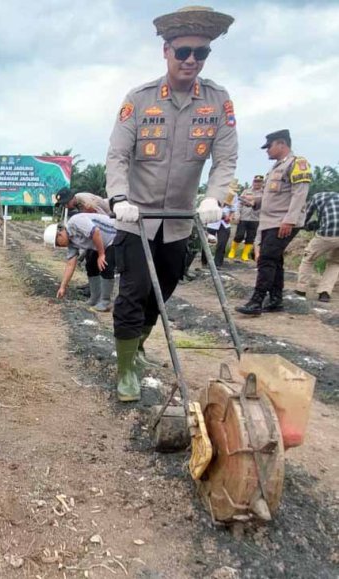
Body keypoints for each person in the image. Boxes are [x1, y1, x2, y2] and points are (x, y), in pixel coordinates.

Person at [105, 7, 237, 401]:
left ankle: (139, 345)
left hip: (179, 222)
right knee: (133, 292)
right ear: (166, 51)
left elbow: (226, 158)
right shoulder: (140, 99)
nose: (191, 60)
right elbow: (117, 155)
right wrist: (119, 198)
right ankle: (125, 370)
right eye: (183, 52)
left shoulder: (218, 101)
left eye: (201, 53)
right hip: (135, 218)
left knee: (162, 292)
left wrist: (214, 196)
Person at [237, 130, 310, 315]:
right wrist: (254, 202)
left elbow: (300, 194)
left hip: (282, 221)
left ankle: (257, 301)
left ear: (281, 144)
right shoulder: (275, 168)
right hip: (270, 221)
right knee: (275, 260)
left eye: (269, 146)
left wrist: (290, 220)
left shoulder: (296, 163)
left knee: (266, 259)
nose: (267, 150)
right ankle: (276, 300)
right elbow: (273, 197)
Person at [50, 212, 117, 312]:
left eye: (58, 244)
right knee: (90, 264)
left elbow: (95, 232)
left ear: (59, 234)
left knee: (105, 263)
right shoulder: (71, 243)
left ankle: (105, 302)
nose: (60, 246)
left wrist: (101, 254)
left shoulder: (75, 222)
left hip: (114, 235)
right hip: (100, 242)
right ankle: (95, 298)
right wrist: (62, 287)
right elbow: (70, 264)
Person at [295, 191, 338, 303]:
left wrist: (305, 226)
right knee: (335, 263)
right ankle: (325, 293)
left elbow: (305, 217)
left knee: (308, 258)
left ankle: (301, 289)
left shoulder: (316, 197)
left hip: (327, 234)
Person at [228, 175, 262, 262]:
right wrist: (237, 214)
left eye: (259, 182)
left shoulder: (264, 193)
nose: (257, 183)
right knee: (239, 235)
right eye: (255, 181)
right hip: (244, 217)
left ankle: (245, 254)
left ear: (262, 183)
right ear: (253, 182)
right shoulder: (246, 191)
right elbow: (239, 203)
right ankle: (232, 251)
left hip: (256, 218)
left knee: (251, 237)